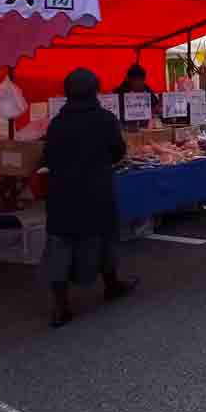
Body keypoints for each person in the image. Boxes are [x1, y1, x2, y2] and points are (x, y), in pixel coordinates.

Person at [43, 68, 135, 328]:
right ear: (94, 90)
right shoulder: (104, 120)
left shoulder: (57, 123)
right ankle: (111, 284)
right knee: (105, 237)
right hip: (97, 190)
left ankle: (60, 305)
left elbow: (48, 157)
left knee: (60, 245)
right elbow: (118, 152)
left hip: (62, 193)